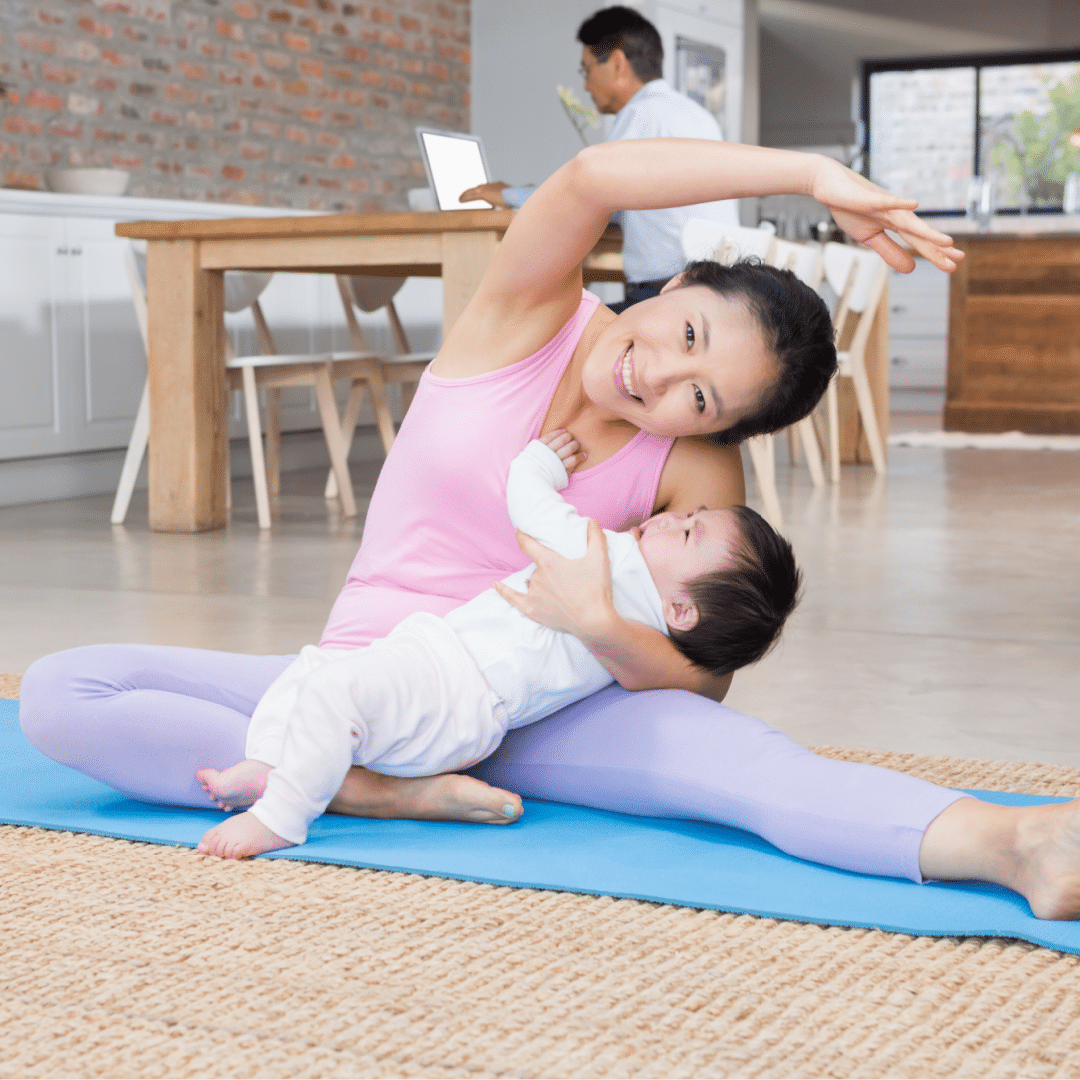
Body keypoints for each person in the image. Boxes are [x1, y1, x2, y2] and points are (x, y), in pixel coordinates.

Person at [23, 134, 1080, 921]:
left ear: (721, 433)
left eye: (702, 397)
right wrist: (808, 175)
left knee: (746, 765)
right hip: (363, 682)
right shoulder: (526, 313)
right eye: (686, 333)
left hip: (544, 714)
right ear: (675, 282)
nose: (659, 375)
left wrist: (603, 625)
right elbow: (588, 180)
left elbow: (703, 675)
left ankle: (1021, 845)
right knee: (65, 695)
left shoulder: (691, 470)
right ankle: (375, 791)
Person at [195, 429, 800, 858]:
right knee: (321, 673)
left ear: (681, 609)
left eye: (688, 531)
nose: (668, 518)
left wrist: (538, 463)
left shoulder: (606, 559)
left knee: (328, 685)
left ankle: (281, 818)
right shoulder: (645, 637)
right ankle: (272, 767)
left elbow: (531, 506)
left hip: (452, 688)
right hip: (455, 693)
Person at [460, 5, 739, 311]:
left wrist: (507, 194)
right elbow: (615, 204)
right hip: (718, 296)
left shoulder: (641, 114)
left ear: (618, 64)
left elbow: (583, 197)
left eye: (587, 69)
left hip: (667, 300)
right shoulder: (698, 115)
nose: (585, 85)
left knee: (543, 332)